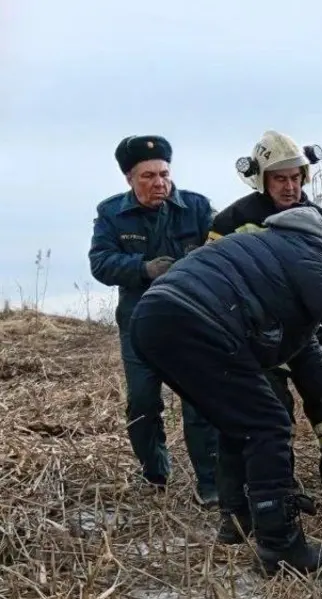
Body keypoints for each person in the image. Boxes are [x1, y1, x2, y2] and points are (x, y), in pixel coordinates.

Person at [128, 205, 322, 575]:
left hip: (153, 320)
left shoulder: (268, 252)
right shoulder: (305, 251)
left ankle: (238, 517)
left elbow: (303, 346)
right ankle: (280, 545)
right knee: (267, 422)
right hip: (195, 320)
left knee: (236, 420)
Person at [208, 131, 322, 508]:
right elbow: (217, 279)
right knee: (273, 411)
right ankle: (282, 489)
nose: (290, 186)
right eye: (280, 178)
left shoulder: (318, 219)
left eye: (296, 177)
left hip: (314, 333)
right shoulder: (232, 221)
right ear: (262, 179)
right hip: (259, 339)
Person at [88, 135, 220, 505]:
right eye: (148, 176)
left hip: (192, 322)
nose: (159, 183)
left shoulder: (196, 208)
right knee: (143, 403)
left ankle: (210, 483)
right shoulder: (112, 213)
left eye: (164, 173)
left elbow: (222, 247)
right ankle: (155, 472)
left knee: (200, 402)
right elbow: (100, 263)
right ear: (130, 178)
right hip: (139, 325)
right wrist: (143, 268)